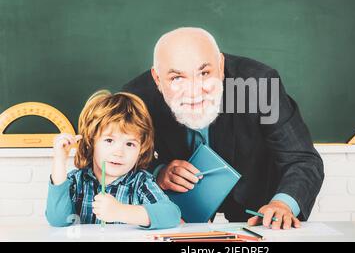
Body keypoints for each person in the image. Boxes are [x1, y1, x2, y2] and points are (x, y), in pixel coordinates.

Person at [123, 27, 324, 229]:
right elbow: (118, 160)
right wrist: (158, 173)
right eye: (177, 78)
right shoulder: (137, 98)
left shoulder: (259, 85)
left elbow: (302, 159)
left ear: (220, 65)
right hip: (179, 213)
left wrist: (282, 204)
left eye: (204, 73)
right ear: (157, 79)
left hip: (259, 205)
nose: (194, 92)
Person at [46, 90, 181, 229]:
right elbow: (58, 220)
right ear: (91, 142)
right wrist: (59, 161)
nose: (119, 152)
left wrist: (121, 212)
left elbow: (172, 215)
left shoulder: (140, 183)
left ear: (141, 149)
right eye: (109, 140)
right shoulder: (77, 181)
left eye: (130, 144)